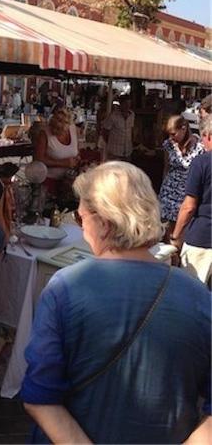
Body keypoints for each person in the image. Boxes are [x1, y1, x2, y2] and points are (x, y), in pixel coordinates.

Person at [21, 162, 210, 445]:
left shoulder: (64, 288)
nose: (82, 226)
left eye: (81, 217)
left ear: (104, 223)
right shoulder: (199, 297)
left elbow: (40, 398)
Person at [170, 114, 212, 286]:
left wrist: (175, 236)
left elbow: (189, 206)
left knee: (192, 295)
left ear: (208, 135)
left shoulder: (202, 163)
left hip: (202, 239)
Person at [159, 114, 204, 241]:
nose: (171, 138)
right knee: (166, 230)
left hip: (188, 190)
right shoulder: (168, 145)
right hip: (169, 190)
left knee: (183, 228)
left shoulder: (199, 147)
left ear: (183, 129)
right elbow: (166, 167)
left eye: (173, 134)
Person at [33, 108, 80, 180]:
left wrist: (77, 159)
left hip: (70, 178)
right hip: (51, 178)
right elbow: (38, 159)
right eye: (55, 129)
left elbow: (77, 152)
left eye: (62, 131)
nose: (58, 132)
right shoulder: (44, 134)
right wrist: (62, 163)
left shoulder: (73, 129)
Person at [101, 94, 135, 161]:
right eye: (125, 104)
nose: (127, 106)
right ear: (121, 104)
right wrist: (110, 142)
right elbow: (104, 131)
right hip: (115, 152)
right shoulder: (113, 116)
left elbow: (131, 129)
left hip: (127, 151)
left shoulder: (132, 115)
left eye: (129, 104)